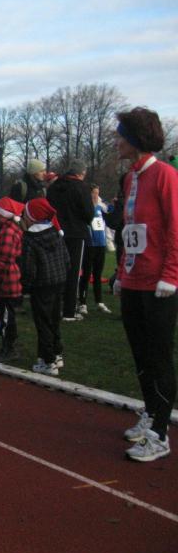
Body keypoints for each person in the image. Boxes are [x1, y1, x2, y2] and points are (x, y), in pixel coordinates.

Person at [113, 107, 178, 463]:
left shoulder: (165, 175)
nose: (116, 141)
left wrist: (171, 275)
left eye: (121, 135)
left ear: (135, 138)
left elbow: (175, 227)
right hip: (134, 279)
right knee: (140, 352)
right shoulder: (130, 179)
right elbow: (130, 231)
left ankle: (160, 434)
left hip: (159, 283)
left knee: (159, 356)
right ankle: (150, 413)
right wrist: (122, 272)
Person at [20, 198, 70, 376]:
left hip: (41, 286)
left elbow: (28, 268)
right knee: (54, 319)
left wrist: (25, 286)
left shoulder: (30, 239)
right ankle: (56, 353)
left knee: (43, 323)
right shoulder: (55, 232)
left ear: (32, 217)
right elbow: (66, 259)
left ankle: (48, 361)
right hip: (58, 282)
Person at [47, 161, 94, 321]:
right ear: (80, 173)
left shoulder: (53, 187)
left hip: (56, 231)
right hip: (76, 233)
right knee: (73, 272)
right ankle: (69, 310)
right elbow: (89, 213)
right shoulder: (81, 188)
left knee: (56, 270)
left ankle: (54, 307)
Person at [0, 197, 25, 362]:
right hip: (8, 280)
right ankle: (7, 347)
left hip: (6, 282)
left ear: (3, 215)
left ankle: (9, 349)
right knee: (6, 316)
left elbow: (2, 259)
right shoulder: (9, 229)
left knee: (6, 318)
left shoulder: (7, 232)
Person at [78, 184, 112, 315]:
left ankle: (99, 302)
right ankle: (82, 303)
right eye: (93, 193)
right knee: (86, 275)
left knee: (98, 275)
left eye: (97, 193)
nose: (96, 196)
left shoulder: (101, 208)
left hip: (100, 245)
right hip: (89, 245)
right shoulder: (85, 208)